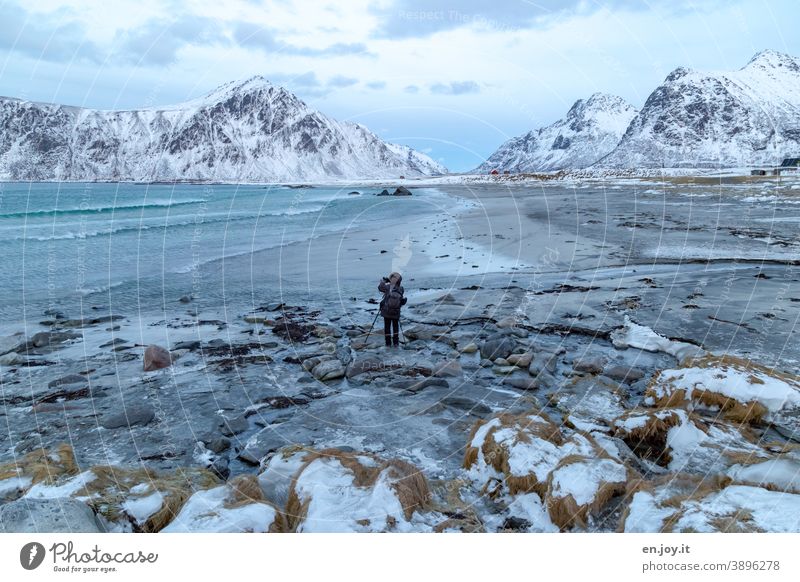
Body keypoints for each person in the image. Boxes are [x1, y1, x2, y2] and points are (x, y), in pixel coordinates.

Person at [378, 272, 406, 347]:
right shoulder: (401, 289)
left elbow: (380, 287)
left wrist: (384, 281)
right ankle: (396, 344)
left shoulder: (387, 287)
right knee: (395, 327)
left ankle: (388, 344)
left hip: (386, 311)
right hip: (396, 312)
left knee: (387, 327)